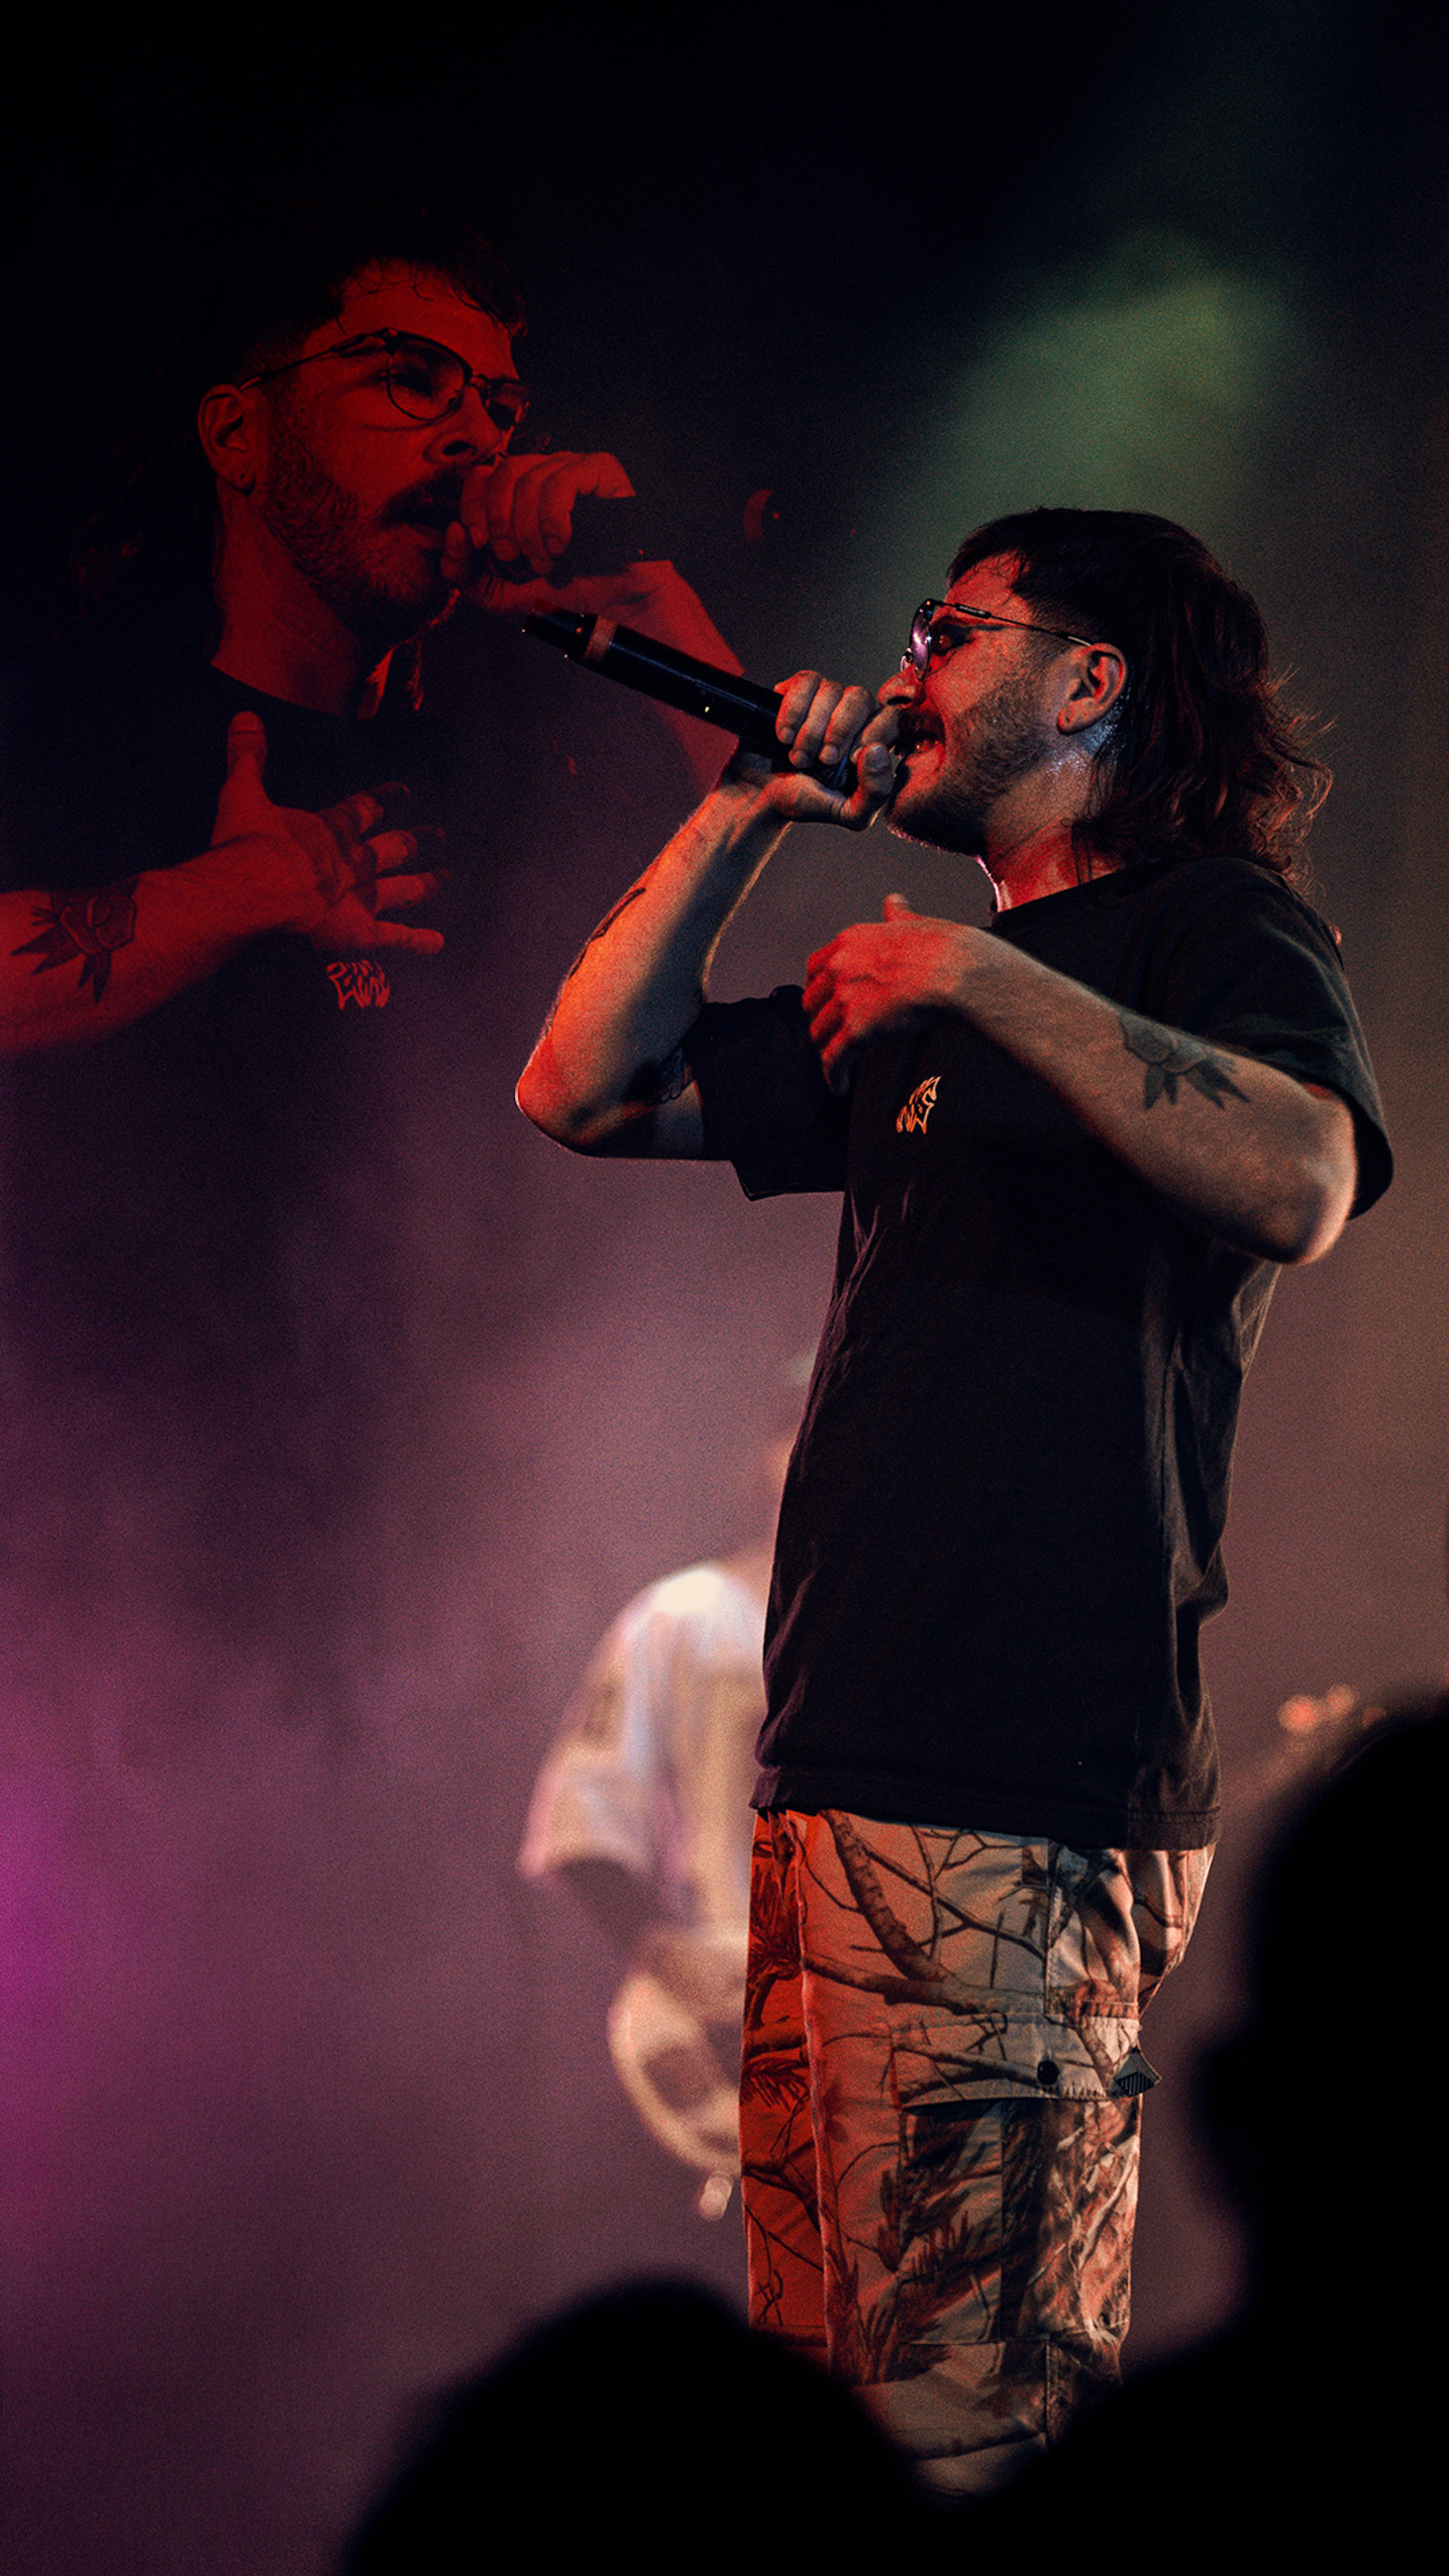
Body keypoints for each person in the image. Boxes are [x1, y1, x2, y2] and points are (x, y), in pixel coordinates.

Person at [515, 508, 1392, 2490]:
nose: (899, 670)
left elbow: (1301, 1182)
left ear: (1086, 681)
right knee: (828, 2443)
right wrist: (742, 808)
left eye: (949, 631)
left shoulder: (1199, 929)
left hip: (1012, 1774)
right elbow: (575, 1086)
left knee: (967, 2427)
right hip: (842, 1774)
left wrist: (971, 989)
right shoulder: (942, 976)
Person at [0, 197, 736, 1749]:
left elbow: (829, 929)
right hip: (107, 1582)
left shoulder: (529, 748)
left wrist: (652, 613)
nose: (472, 434)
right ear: (237, 430)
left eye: (500, 404)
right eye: (409, 379)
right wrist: (236, 895)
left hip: (467, 1586)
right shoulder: (80, 703)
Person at [519, 1433, 793, 2218]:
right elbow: (582, 1812)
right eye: (793, 1424)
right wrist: (665, 1951)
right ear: (759, 1455)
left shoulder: (928, 1625)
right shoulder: (684, 1617)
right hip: (740, 2026)